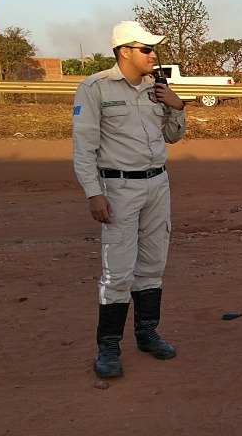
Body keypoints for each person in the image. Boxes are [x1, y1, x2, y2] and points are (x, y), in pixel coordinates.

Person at [72, 21, 187, 379]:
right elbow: (83, 147)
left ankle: (146, 332)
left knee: (153, 263)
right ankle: (108, 347)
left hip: (158, 185)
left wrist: (177, 106)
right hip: (119, 189)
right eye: (146, 49)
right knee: (118, 271)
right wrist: (93, 192)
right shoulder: (96, 88)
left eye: (154, 50)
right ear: (125, 51)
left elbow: (173, 137)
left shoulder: (157, 89)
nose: (154, 55)